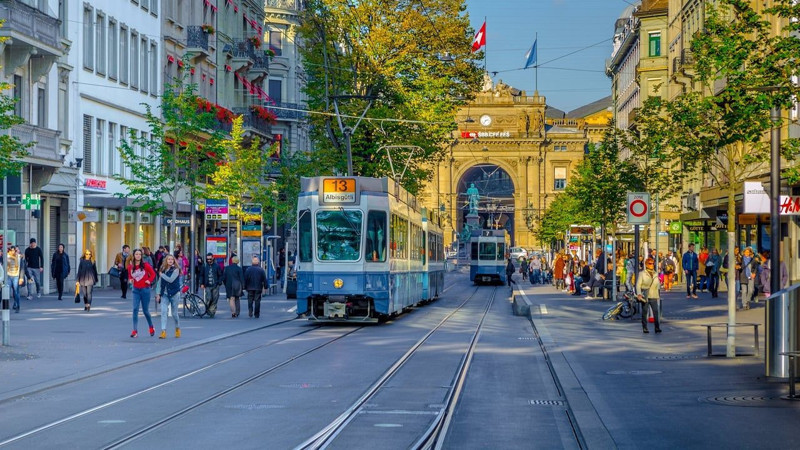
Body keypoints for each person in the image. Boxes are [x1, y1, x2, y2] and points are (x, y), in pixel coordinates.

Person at [128, 248, 156, 337]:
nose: (138, 256)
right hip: (136, 290)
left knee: (145, 311)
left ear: (141, 256)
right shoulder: (130, 267)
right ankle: (135, 330)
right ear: (134, 255)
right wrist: (130, 280)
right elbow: (130, 276)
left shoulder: (145, 265)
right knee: (135, 309)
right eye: (136, 254)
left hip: (145, 290)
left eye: (139, 254)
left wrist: (149, 280)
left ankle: (151, 326)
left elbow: (153, 274)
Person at [155, 254, 181, 339]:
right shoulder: (163, 269)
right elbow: (159, 282)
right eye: (168, 259)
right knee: (163, 312)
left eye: (172, 259)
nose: (170, 261)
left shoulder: (176, 270)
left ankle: (177, 328)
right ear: (166, 260)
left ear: (174, 261)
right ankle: (163, 331)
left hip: (174, 293)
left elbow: (171, 279)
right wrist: (158, 293)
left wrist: (162, 275)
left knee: (174, 313)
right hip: (165, 294)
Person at [636, 257, 662, 334]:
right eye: (650, 263)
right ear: (646, 265)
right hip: (645, 296)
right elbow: (638, 285)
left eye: (653, 263)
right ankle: (645, 328)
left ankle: (657, 327)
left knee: (656, 312)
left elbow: (658, 284)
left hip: (654, 295)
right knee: (644, 312)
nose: (652, 265)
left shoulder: (655, 273)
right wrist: (639, 294)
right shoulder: (642, 274)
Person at [200, 253, 223, 318]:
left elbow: (220, 275)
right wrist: (201, 283)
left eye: (210, 259)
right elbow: (201, 275)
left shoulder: (216, 266)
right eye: (207, 259)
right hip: (207, 285)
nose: (209, 260)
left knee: (215, 299)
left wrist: (219, 282)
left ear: (213, 258)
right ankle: (207, 309)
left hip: (215, 284)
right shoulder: (204, 266)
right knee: (209, 298)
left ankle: (212, 311)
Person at [6, 246, 23, 312]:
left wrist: (21, 278)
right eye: (11, 250)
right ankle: (6, 306)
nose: (13, 252)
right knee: (7, 291)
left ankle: (17, 306)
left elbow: (22, 268)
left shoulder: (19, 257)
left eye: (14, 250)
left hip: (16, 276)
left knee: (16, 292)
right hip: (8, 276)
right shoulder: (7, 256)